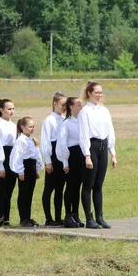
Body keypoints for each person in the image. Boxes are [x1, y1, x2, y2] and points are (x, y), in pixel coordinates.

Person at [79, 81, 117, 229]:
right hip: (92, 147)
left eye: (101, 93)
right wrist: (87, 155)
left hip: (103, 146)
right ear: (89, 94)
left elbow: (110, 131)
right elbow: (83, 134)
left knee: (99, 184)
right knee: (88, 183)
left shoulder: (104, 110)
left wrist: (112, 152)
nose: (99, 95)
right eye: (96, 93)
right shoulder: (85, 111)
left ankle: (100, 216)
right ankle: (89, 218)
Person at [9, 117, 44, 227]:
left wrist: (37, 169)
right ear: (22, 127)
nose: (32, 129)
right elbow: (18, 157)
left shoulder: (31, 140)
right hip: (25, 167)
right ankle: (23, 218)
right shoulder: (20, 140)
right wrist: (20, 172)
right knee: (23, 193)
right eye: (30, 127)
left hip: (32, 168)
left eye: (33, 127)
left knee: (29, 194)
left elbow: (36, 155)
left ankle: (28, 218)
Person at [56, 97, 85, 228]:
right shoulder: (66, 123)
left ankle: (75, 213)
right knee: (71, 186)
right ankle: (68, 215)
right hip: (71, 155)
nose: (81, 107)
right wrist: (65, 163)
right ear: (71, 107)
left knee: (77, 186)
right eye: (79, 105)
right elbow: (62, 144)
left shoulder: (83, 121)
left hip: (81, 154)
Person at [40, 92, 67, 227]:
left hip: (62, 156)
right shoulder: (49, 120)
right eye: (62, 105)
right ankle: (48, 218)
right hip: (53, 155)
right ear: (55, 104)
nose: (64, 107)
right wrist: (48, 161)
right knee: (49, 188)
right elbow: (45, 142)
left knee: (60, 188)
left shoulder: (64, 119)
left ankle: (58, 217)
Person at [0, 99, 17, 226]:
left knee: (9, 191)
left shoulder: (14, 126)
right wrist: (0, 165)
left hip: (12, 158)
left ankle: (7, 217)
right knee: (1, 190)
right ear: (1, 110)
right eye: (8, 109)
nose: (11, 111)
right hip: (2, 158)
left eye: (13, 109)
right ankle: (0, 217)